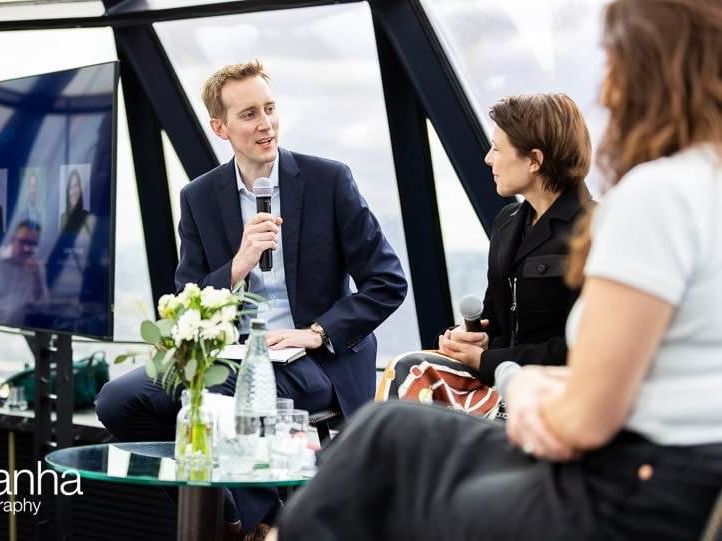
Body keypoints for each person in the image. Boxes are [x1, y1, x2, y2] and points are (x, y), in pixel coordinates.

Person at [275, 0, 722, 539]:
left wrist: (517, 380)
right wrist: (485, 351)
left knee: (379, 448)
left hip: (622, 492)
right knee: (385, 427)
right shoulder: (698, 191)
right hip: (685, 485)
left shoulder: (654, 198)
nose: (606, 87)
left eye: (614, 62)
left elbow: (586, 416)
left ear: (645, 74)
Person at [95, 60, 408, 535]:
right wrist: (238, 264)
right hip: (231, 352)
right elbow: (187, 298)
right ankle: (233, 517)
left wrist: (315, 332)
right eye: (248, 115)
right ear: (220, 127)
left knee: (218, 397)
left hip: (315, 356)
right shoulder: (199, 197)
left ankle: (253, 525)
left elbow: (388, 282)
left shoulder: (329, 181)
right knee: (119, 401)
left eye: (270, 108)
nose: (265, 124)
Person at [379, 94, 593, 406]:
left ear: (534, 159)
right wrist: (472, 338)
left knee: (411, 371)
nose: (488, 159)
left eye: (497, 149)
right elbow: (495, 315)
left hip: (556, 395)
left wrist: (487, 360)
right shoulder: (507, 223)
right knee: (410, 374)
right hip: (500, 381)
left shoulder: (595, 231)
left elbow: (584, 350)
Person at [0, 220, 48, 327]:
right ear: (12, 240)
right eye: (23, 242)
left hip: (12, 331)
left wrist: (36, 276)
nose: (27, 248)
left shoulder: (37, 269)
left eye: (32, 244)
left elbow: (40, 306)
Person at [59, 168, 90, 234]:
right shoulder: (63, 218)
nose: (73, 191)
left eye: (76, 186)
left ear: (80, 189)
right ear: (68, 192)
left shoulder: (87, 216)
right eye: (71, 187)